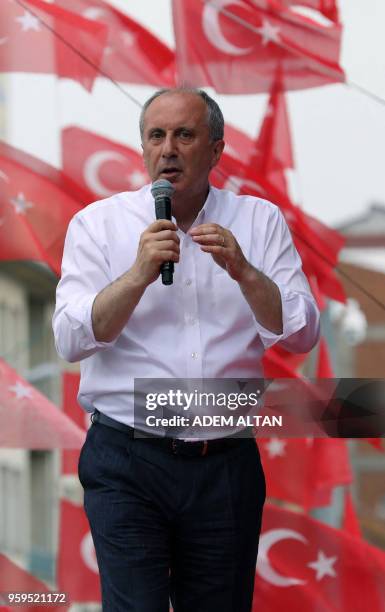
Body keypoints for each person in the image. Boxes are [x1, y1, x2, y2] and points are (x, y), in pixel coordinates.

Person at [53, 87, 320, 612]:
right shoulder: (98, 224)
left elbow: (301, 334)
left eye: (184, 135)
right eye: (156, 135)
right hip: (126, 458)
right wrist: (136, 276)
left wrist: (245, 272)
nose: (168, 149)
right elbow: (69, 338)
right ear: (142, 149)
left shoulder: (259, 222)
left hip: (224, 462)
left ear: (216, 150)